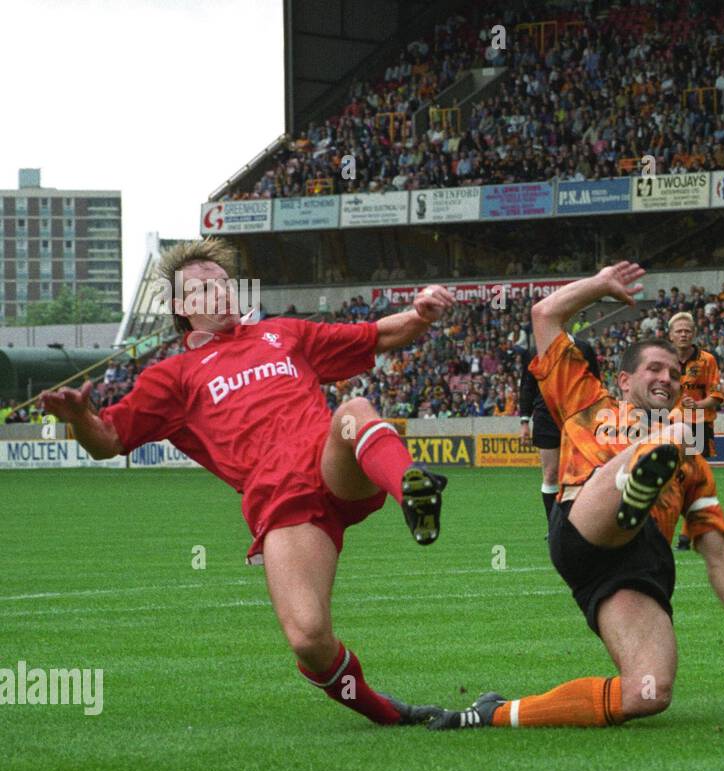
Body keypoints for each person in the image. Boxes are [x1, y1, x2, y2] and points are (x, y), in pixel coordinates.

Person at [37, 237, 455, 726]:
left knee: (354, 411)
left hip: (331, 464)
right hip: (283, 504)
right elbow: (108, 440)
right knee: (308, 638)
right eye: (202, 287)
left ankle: (411, 486)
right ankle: (387, 713)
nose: (219, 291)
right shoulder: (172, 377)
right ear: (180, 306)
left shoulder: (282, 334)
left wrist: (421, 313)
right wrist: (79, 418)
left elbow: (375, 336)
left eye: (222, 282)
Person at [427, 262, 724, 730]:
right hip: (585, 526)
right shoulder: (588, 402)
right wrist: (598, 287)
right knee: (679, 434)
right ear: (624, 381)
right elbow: (544, 314)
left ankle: (494, 714)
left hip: (634, 568)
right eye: (655, 368)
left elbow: (718, 556)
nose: (668, 378)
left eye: (676, 373)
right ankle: (632, 484)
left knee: (648, 692)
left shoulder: (692, 463)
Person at [519, 332, 601, 528]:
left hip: (578, 416)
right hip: (545, 417)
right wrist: (524, 421)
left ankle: (581, 524)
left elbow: (596, 383)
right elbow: (527, 387)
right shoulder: (535, 351)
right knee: (551, 473)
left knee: (584, 471)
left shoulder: (583, 348)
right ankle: (553, 527)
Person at [666, 310, 724, 550]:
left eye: (687, 331)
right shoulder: (662, 359)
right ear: (670, 335)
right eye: (679, 331)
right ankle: (671, 529)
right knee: (669, 477)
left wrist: (698, 404)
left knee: (695, 478)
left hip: (698, 424)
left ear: (693, 334)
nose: (683, 334)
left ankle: (685, 534)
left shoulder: (707, 360)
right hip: (666, 423)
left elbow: (718, 395)